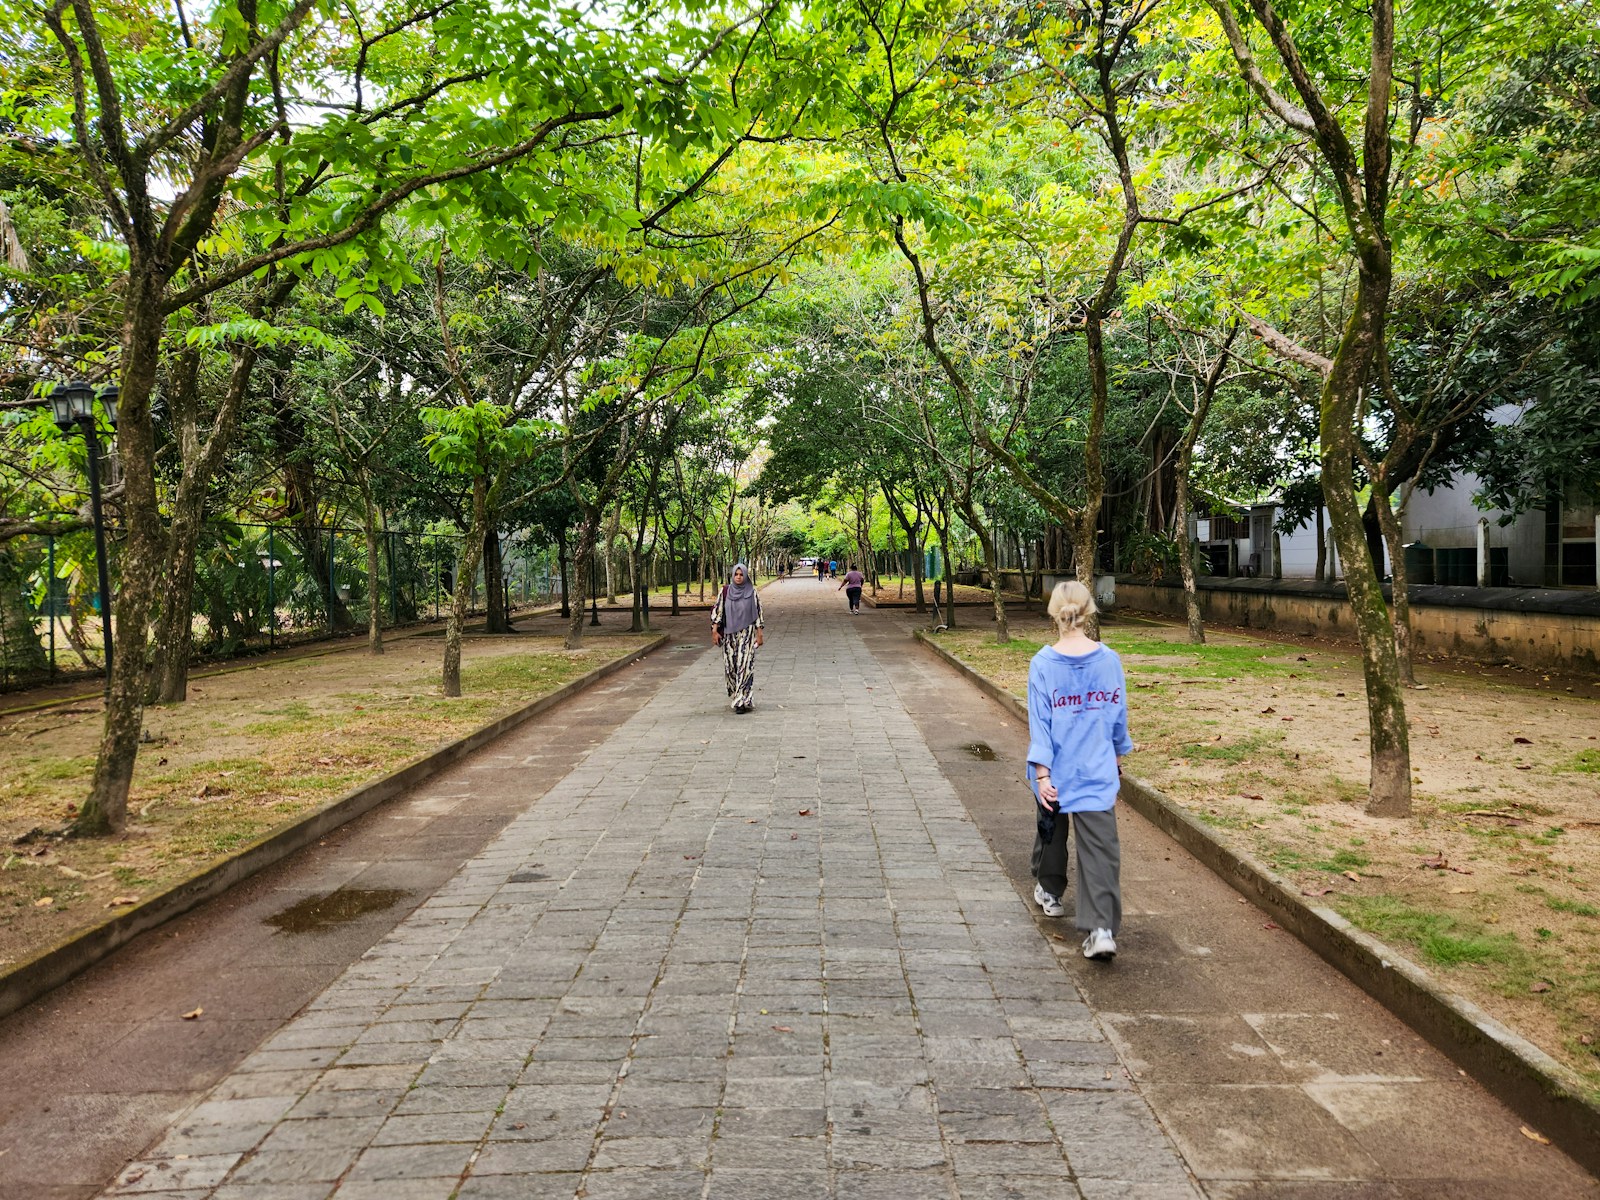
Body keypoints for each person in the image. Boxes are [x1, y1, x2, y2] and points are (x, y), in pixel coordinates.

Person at [1026, 580, 1132, 961]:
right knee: (1101, 849)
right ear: (1089, 612)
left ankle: (1050, 892)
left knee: (1051, 832)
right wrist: (1116, 759)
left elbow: (1040, 727)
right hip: (1097, 769)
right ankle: (1100, 929)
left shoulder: (1042, 665)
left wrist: (1042, 776)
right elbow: (1116, 718)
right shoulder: (1109, 660)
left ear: (1053, 613)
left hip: (1056, 771)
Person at [711, 563, 764, 714]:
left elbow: (758, 613)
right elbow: (718, 612)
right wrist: (714, 631)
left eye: (741, 575)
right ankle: (736, 694)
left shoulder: (752, 592)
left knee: (744, 666)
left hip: (746, 634)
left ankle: (741, 701)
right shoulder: (725, 591)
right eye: (736, 574)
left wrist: (759, 634)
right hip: (729, 636)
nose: (739, 577)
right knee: (731, 668)